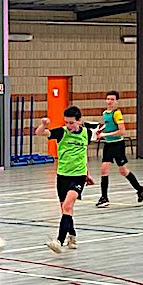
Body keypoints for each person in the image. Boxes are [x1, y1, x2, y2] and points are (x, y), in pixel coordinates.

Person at [36, 106, 100, 252]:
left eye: (71, 123)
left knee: (67, 206)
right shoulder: (61, 132)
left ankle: (59, 241)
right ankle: (72, 235)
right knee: (65, 209)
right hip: (62, 176)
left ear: (79, 121)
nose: (68, 125)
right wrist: (44, 125)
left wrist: (87, 173)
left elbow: (83, 154)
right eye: (66, 122)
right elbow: (39, 132)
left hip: (78, 176)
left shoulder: (86, 133)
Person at [97, 91, 143, 208]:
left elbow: (122, 131)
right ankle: (104, 197)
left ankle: (140, 188)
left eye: (112, 99)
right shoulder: (105, 113)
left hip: (117, 145)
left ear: (117, 101)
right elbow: (108, 124)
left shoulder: (117, 114)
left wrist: (105, 135)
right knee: (104, 169)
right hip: (108, 145)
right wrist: (101, 129)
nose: (109, 101)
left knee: (123, 171)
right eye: (108, 99)